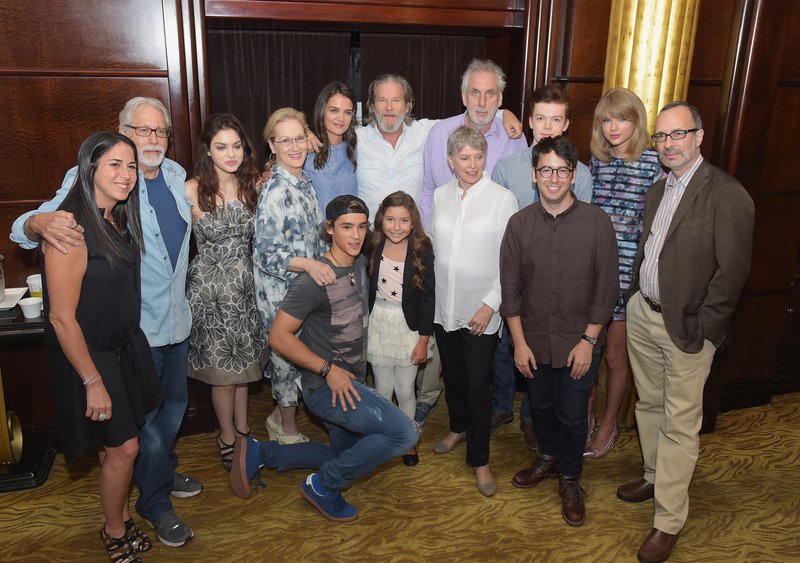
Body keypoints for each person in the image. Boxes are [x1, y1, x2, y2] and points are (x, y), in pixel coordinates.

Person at [12, 97, 201, 548]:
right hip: (136, 332)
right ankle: (154, 503)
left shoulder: (173, 175)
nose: (152, 140)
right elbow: (25, 228)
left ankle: (159, 474)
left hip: (174, 323)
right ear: (121, 130)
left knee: (171, 412)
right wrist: (38, 222)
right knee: (139, 431)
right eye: (142, 130)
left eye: (160, 132)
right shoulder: (93, 178)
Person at [619, 101, 754, 562]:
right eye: (662, 137)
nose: (669, 144)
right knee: (650, 404)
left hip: (688, 329)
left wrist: (706, 330)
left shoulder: (726, 193)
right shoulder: (659, 190)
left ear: (698, 136)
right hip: (644, 315)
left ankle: (668, 519)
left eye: (679, 134)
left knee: (680, 424)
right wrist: (636, 296)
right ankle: (655, 476)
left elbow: (732, 275)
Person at [41, 131, 161, 562]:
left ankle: (121, 516)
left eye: (131, 166)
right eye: (115, 164)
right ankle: (113, 530)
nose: (126, 175)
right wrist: (92, 380)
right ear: (89, 168)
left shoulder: (115, 218)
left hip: (121, 347)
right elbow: (60, 317)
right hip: (90, 354)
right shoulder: (70, 227)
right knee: (125, 447)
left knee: (122, 447)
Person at [268, 195, 419, 523]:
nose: (355, 235)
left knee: (346, 454)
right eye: (346, 227)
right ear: (329, 229)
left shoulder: (361, 265)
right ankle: (322, 486)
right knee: (404, 434)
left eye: (362, 227)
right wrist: (327, 369)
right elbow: (278, 336)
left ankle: (262, 453)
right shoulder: (313, 280)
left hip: (351, 380)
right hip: (326, 387)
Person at [501, 135, 619, 527]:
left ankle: (570, 477)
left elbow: (607, 291)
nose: (554, 178)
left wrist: (588, 342)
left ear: (573, 175)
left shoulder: (597, 223)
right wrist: (518, 344)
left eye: (562, 170)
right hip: (533, 342)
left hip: (577, 344)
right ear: (534, 176)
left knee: (572, 415)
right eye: (546, 170)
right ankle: (548, 458)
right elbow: (510, 292)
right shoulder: (518, 225)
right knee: (543, 410)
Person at [490, 83, 595, 450]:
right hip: (515, 272)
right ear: (529, 120)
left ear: (565, 124)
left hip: (554, 280)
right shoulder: (506, 168)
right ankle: (501, 406)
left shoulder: (579, 172)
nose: (547, 126)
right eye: (540, 118)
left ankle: (532, 418)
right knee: (507, 346)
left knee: (544, 357)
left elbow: (581, 229)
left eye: (555, 119)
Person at [429, 126, 518, 497]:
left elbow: (510, 261)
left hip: (482, 310)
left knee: (478, 385)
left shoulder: (503, 199)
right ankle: (457, 428)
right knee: (453, 375)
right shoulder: (439, 195)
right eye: (463, 157)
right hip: (444, 306)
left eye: (478, 157)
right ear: (450, 160)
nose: (471, 164)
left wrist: (490, 304)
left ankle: (480, 460)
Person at [584, 88, 666, 458]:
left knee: (617, 358)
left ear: (637, 122)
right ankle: (583, 415)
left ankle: (608, 423)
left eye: (622, 118)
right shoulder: (595, 162)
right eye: (606, 119)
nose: (613, 127)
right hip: (592, 274)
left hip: (630, 277)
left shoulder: (655, 164)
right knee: (587, 354)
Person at [185, 113, 267, 471]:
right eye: (221, 147)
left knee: (245, 368)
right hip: (210, 291)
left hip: (246, 289)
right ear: (209, 150)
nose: (230, 153)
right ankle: (227, 437)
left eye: (236, 146)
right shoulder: (190, 189)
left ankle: (244, 429)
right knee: (223, 373)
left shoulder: (253, 183)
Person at [253, 107, 334, 444]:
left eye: (299, 137)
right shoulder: (274, 190)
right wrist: (310, 264)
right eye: (285, 140)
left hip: (303, 286)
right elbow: (266, 253)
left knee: (301, 354)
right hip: (281, 290)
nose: (295, 146)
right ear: (272, 146)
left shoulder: (303, 181)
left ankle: (276, 419)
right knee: (286, 359)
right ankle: (287, 429)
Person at [367, 191, 435, 467]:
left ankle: (408, 440)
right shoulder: (372, 245)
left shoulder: (422, 250)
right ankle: (385, 437)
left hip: (409, 328)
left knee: (406, 389)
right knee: (383, 388)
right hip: (380, 322)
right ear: (381, 219)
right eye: (390, 219)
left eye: (404, 220)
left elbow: (428, 298)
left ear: (413, 222)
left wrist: (423, 340)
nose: (396, 227)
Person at [420, 58, 528, 227]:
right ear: (464, 97)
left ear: (500, 99)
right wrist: (429, 234)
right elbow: (428, 189)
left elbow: (521, 198)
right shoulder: (439, 134)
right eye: (475, 92)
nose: (482, 102)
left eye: (490, 93)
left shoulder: (514, 139)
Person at [303, 81, 358, 214]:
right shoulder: (307, 148)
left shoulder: (356, 148)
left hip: (352, 232)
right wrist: (303, 130)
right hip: (317, 233)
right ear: (322, 110)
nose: (341, 118)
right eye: (334, 110)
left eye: (347, 112)